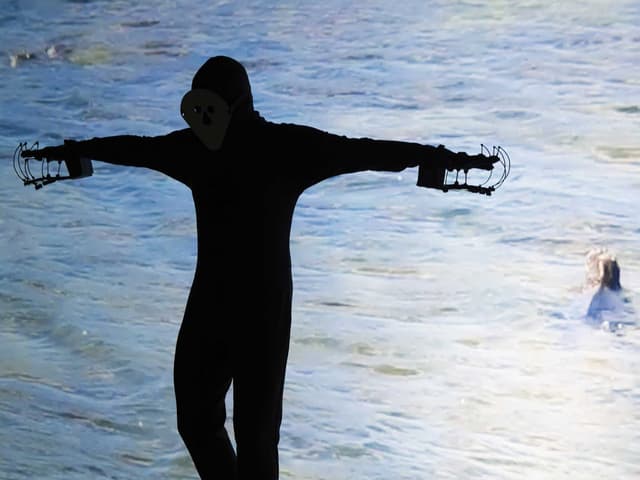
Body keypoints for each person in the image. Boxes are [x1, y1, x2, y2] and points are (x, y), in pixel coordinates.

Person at [24, 56, 498, 479]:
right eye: (196, 108)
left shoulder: (272, 148)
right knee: (202, 423)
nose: (202, 120)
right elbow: (136, 148)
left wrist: (440, 160)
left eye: (209, 107)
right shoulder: (212, 148)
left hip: (254, 313)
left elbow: (364, 152)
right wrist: (73, 151)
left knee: (250, 439)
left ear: (233, 105)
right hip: (226, 306)